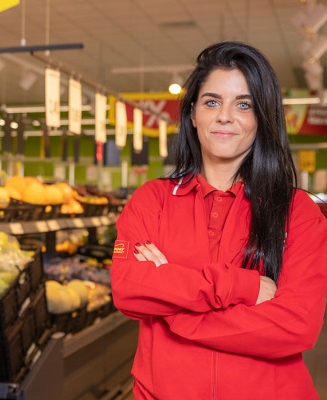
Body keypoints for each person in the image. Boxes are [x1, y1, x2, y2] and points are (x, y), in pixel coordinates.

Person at [111, 41, 327, 400]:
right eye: (212, 101)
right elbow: (129, 289)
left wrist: (176, 314)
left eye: (243, 104)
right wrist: (245, 288)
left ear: (261, 117)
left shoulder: (297, 210)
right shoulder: (154, 200)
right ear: (193, 113)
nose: (225, 115)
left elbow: (296, 326)